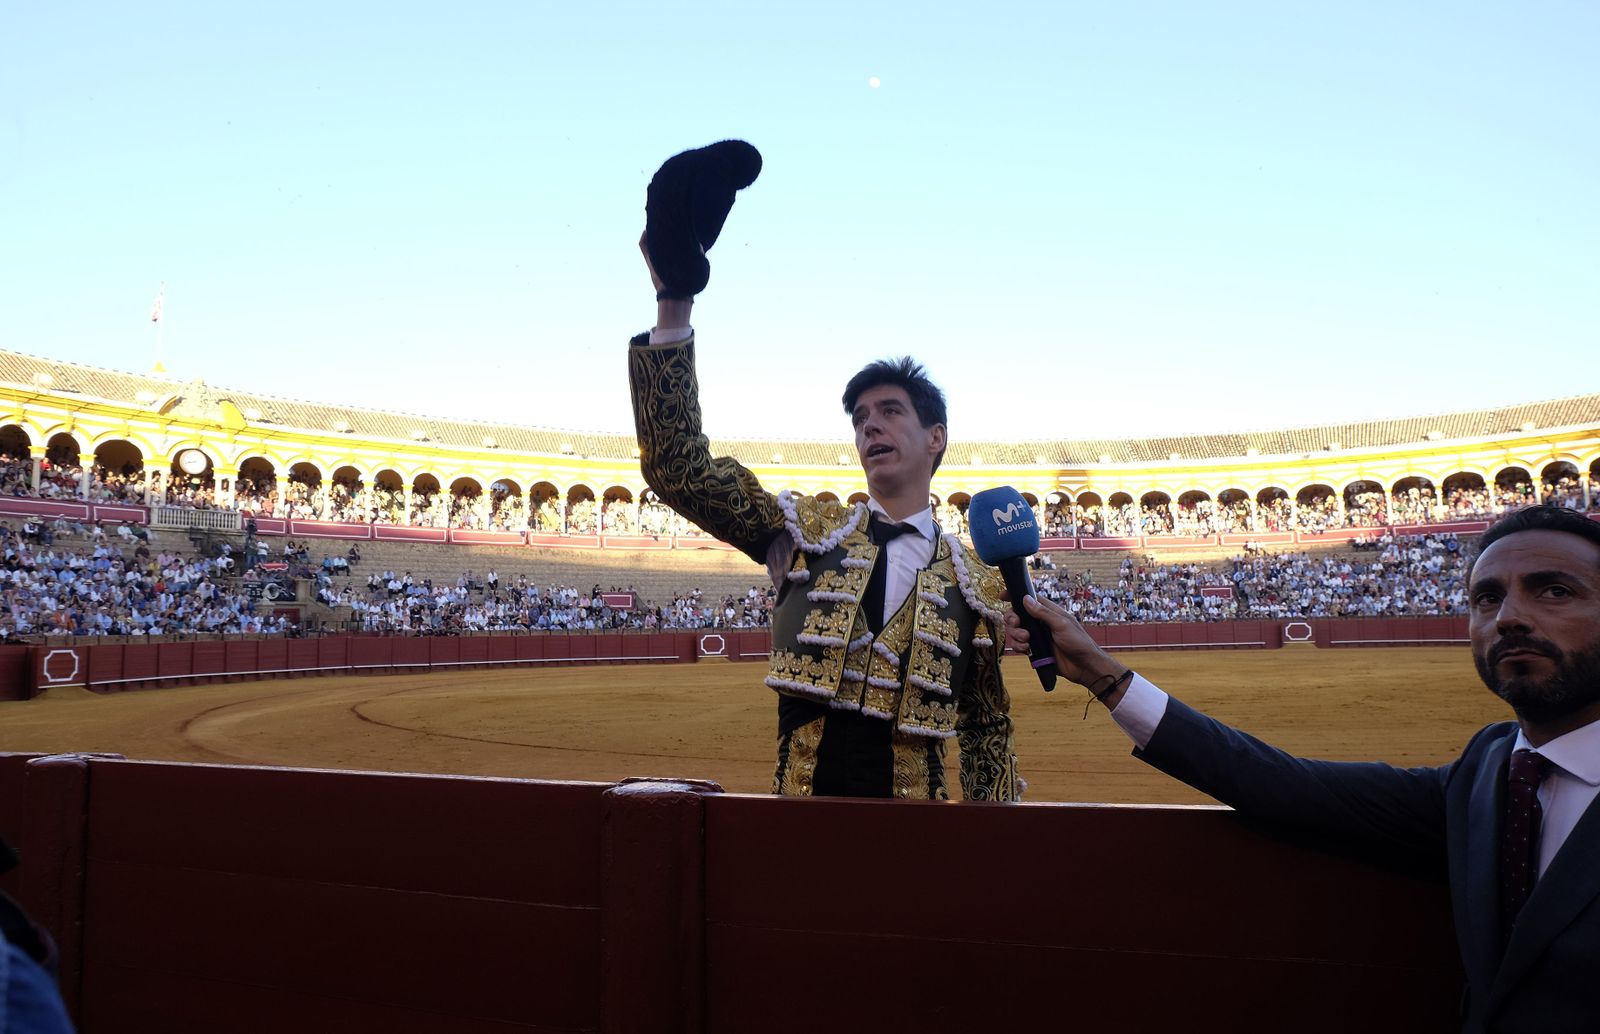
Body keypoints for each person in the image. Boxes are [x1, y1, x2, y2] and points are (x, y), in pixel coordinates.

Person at [1009, 504, 1600, 1033]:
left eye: (1554, 592)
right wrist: (1106, 677)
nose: (1509, 618)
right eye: (1487, 598)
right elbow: (1286, 786)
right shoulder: (1487, 773)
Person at [628, 234, 1020, 801]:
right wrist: (675, 303)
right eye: (861, 419)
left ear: (937, 438)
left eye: (890, 412)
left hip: (920, 846)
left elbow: (986, 729)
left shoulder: (977, 586)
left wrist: (997, 848)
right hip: (800, 831)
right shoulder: (802, 532)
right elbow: (678, 468)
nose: (870, 428)